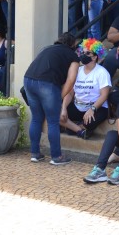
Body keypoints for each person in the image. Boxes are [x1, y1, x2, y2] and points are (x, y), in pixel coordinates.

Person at [23, 32, 80, 165]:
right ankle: (56, 157)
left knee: (36, 118)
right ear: (72, 44)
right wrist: (59, 96)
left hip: (28, 80)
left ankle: (35, 154)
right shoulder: (73, 56)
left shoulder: (47, 48)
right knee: (53, 121)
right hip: (47, 84)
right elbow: (71, 80)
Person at [61, 38, 111, 139]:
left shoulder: (102, 72)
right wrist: (63, 108)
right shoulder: (77, 70)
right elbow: (70, 93)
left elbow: (104, 95)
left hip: (97, 107)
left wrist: (92, 109)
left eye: (87, 53)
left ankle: (72, 128)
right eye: (82, 52)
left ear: (94, 57)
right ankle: (80, 130)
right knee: (56, 112)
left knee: (89, 122)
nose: (83, 56)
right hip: (78, 106)